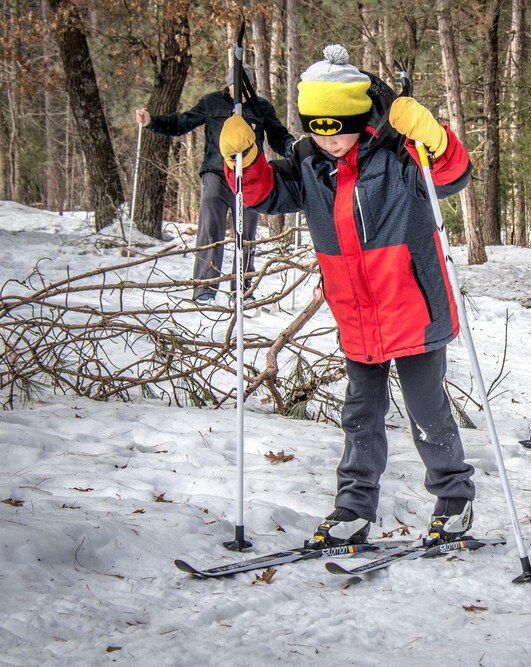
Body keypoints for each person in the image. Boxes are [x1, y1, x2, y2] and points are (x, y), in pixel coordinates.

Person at [217, 45, 476, 547]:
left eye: (340, 130)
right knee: (360, 413)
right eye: (318, 129)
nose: (329, 142)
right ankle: (354, 507)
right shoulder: (309, 163)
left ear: (362, 118)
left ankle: (454, 497)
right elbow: (264, 194)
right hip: (356, 311)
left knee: (427, 409)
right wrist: (244, 159)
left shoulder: (401, 155)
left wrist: (434, 138)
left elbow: (451, 174)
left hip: (413, 304)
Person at [136, 65, 296, 303]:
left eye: (245, 86)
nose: (240, 90)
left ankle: (241, 288)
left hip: (251, 176)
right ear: (227, 84)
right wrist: (151, 121)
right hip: (217, 173)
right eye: (235, 85)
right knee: (211, 227)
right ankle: (204, 287)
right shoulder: (211, 103)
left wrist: (293, 148)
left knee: (247, 231)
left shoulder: (261, 107)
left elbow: (278, 137)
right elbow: (182, 123)